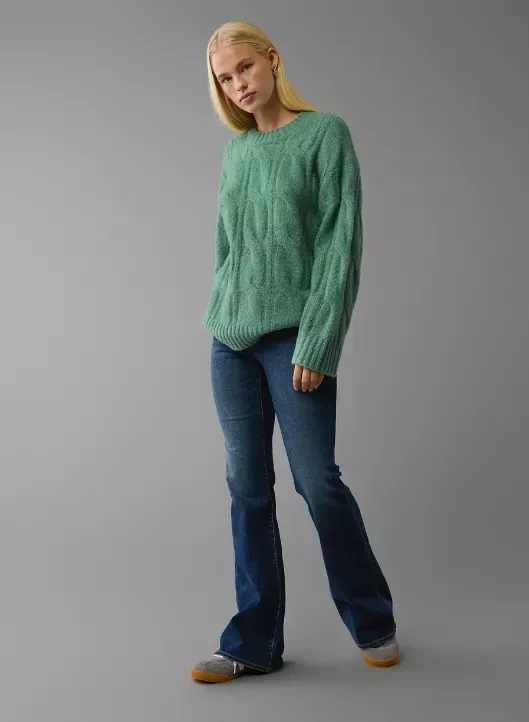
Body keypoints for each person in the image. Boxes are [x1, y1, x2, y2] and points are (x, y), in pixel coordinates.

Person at [190, 20, 399, 684]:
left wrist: (318, 339)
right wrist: (221, 312)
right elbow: (227, 249)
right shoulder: (237, 153)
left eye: (245, 68)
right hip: (231, 342)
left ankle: (373, 620)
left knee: (317, 482)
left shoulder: (325, 134)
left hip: (293, 340)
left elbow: (341, 243)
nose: (238, 85)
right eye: (225, 78)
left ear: (272, 60)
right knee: (246, 487)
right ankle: (253, 643)